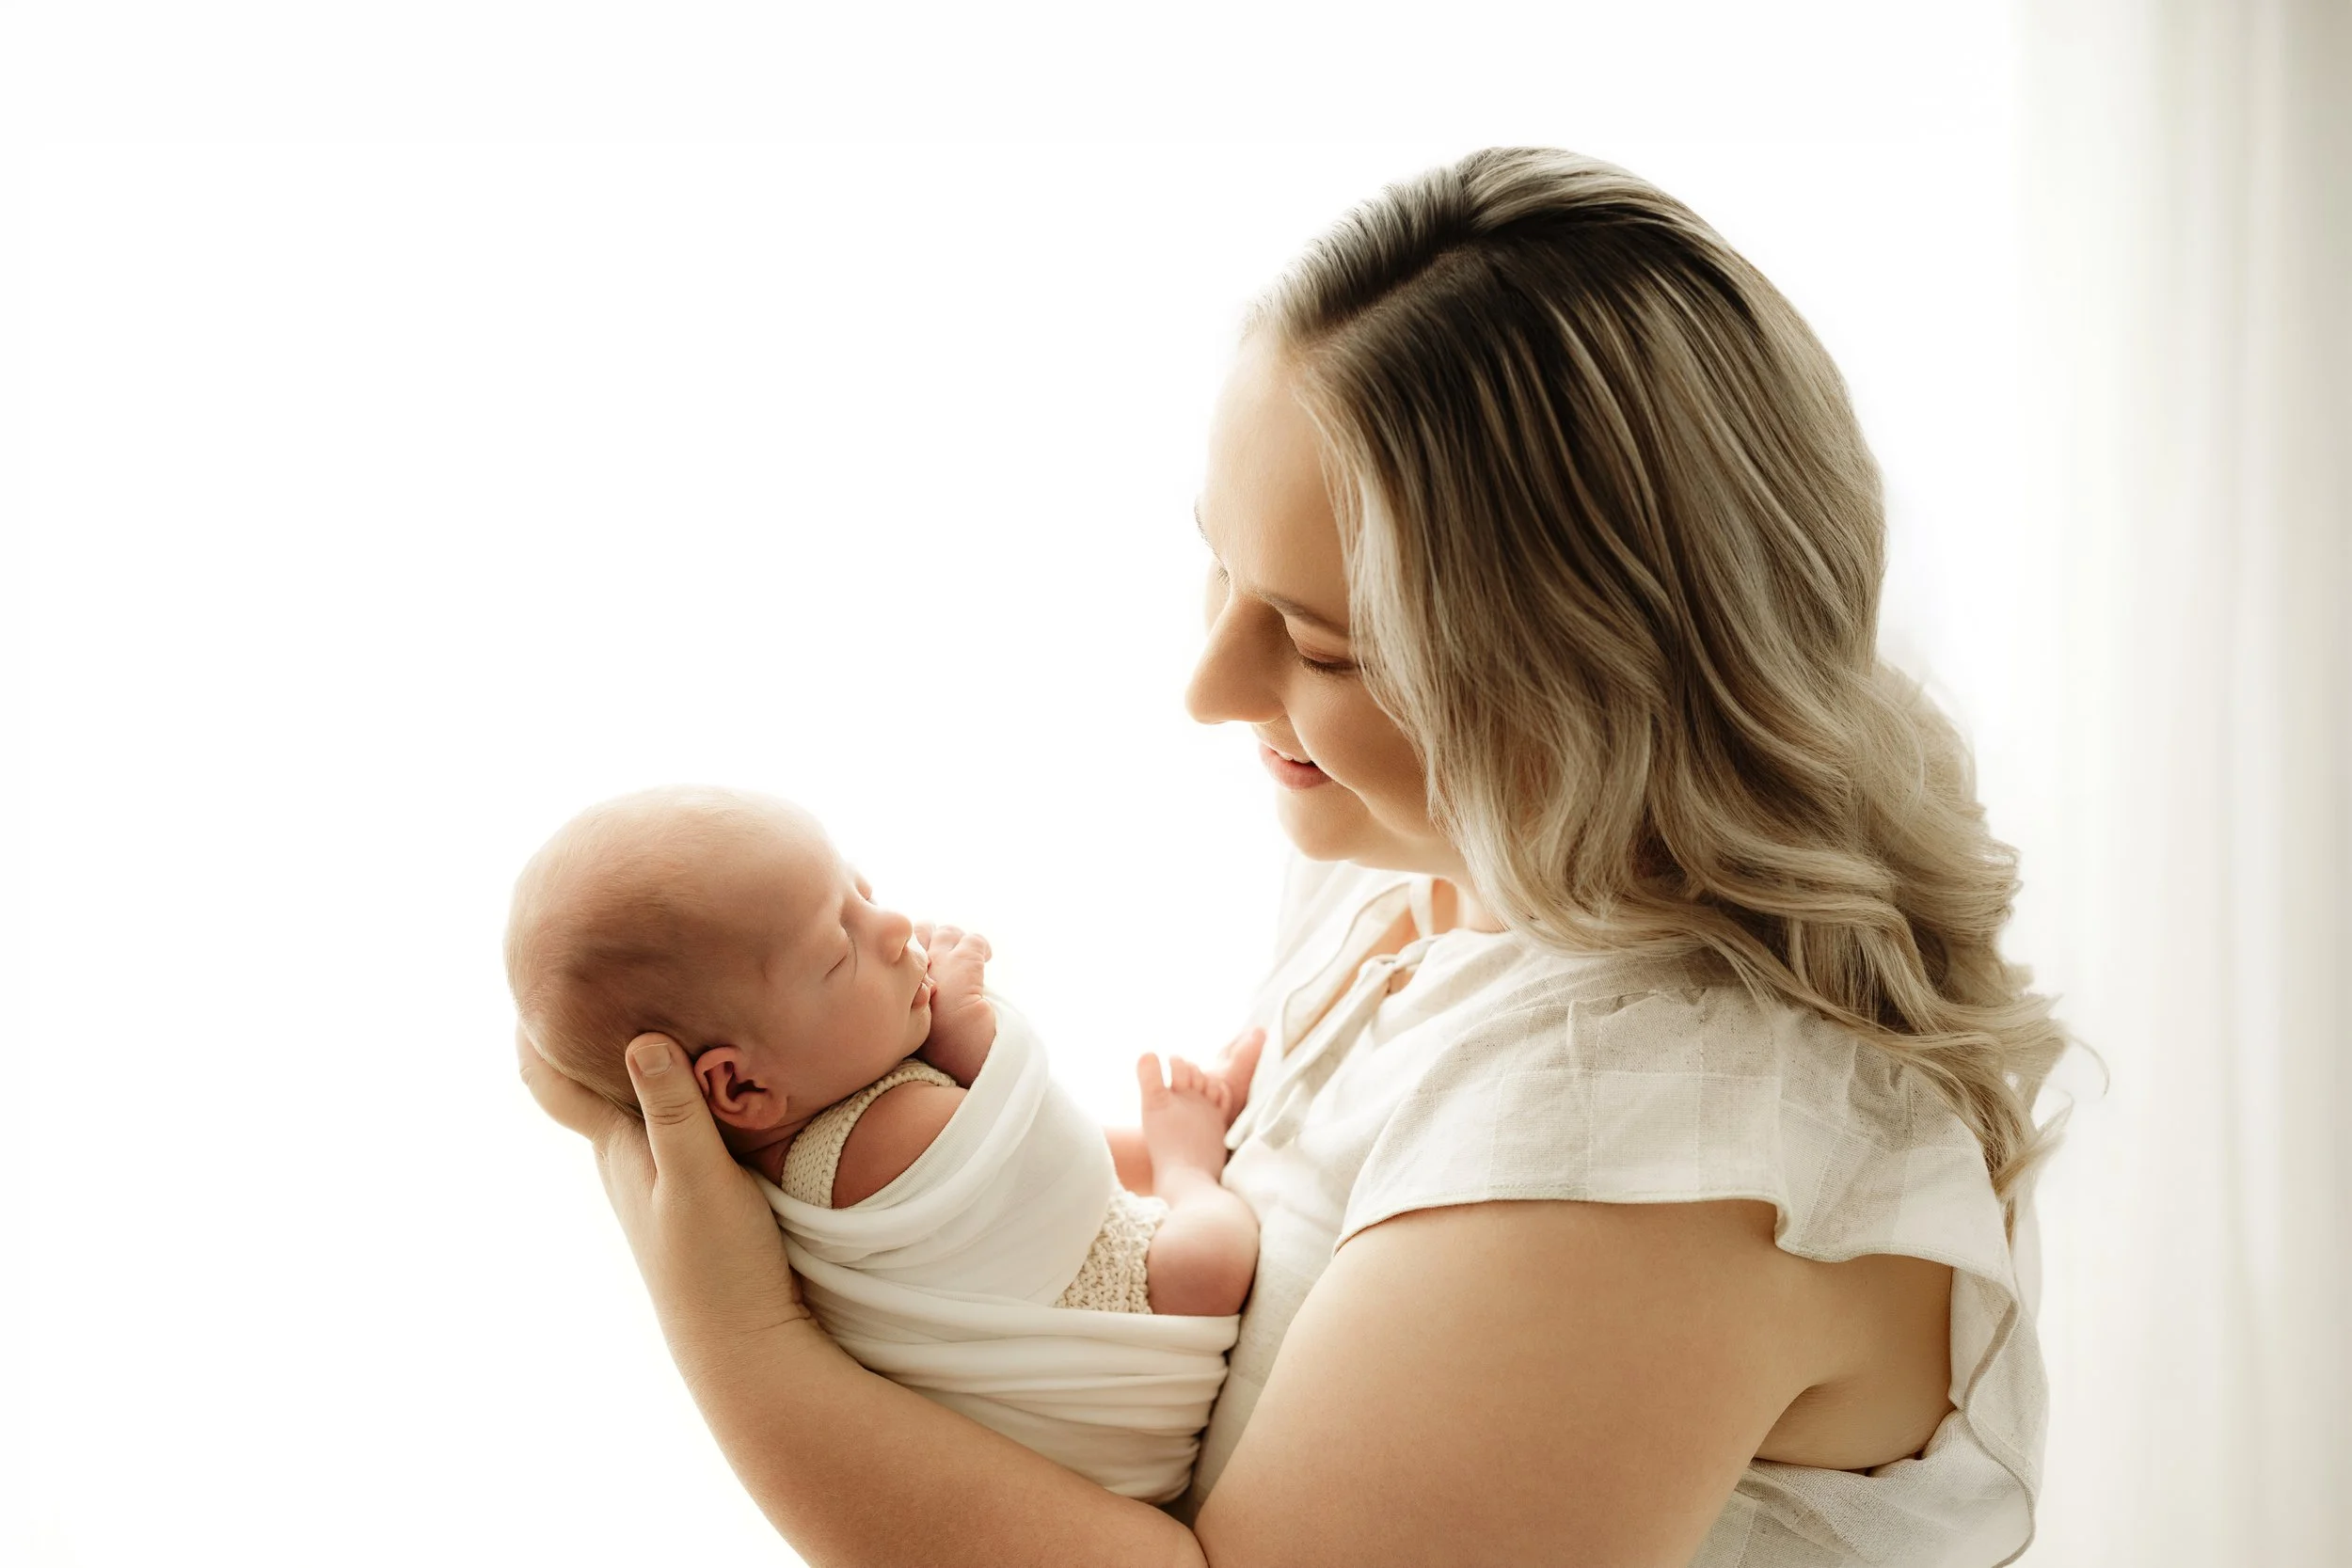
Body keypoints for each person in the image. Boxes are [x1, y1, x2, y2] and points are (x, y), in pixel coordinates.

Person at [519, 147, 2065, 1566]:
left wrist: (742, 1346)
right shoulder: (1420, 852)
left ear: (1589, 680)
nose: (1206, 685)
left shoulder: (1653, 1150)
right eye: (1222, 560)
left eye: (1326, 644)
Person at [503, 785, 1260, 1499]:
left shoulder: (813, 1122)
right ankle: (1192, 1163)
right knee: (1207, 1262)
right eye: (840, 950)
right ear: (740, 1088)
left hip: (1040, 1298)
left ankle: (1180, 1133)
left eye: (862, 893)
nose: (895, 927)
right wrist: (974, 1029)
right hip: (1105, 1397)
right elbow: (1052, 1158)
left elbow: (1004, 1166)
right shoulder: (868, 1147)